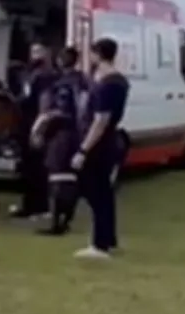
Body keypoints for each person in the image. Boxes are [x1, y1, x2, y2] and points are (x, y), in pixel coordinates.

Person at [68, 37, 129, 260]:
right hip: (109, 141)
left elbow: (100, 120)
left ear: (97, 54)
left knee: (94, 191)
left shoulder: (107, 85)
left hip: (99, 144)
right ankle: (108, 238)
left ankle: (99, 244)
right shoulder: (118, 81)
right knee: (104, 192)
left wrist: (83, 150)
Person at [33, 46, 88, 236]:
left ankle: (56, 222)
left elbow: (53, 112)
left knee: (56, 176)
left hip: (61, 132)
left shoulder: (60, 84)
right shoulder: (83, 81)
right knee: (71, 177)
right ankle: (66, 219)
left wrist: (38, 130)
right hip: (78, 133)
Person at [10, 43, 60, 219]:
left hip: (36, 124)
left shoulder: (46, 76)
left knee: (36, 166)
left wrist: (39, 126)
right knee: (30, 166)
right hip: (28, 122)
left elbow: (42, 102)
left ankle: (38, 206)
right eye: (32, 51)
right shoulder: (32, 75)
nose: (35, 55)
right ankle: (32, 204)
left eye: (39, 51)